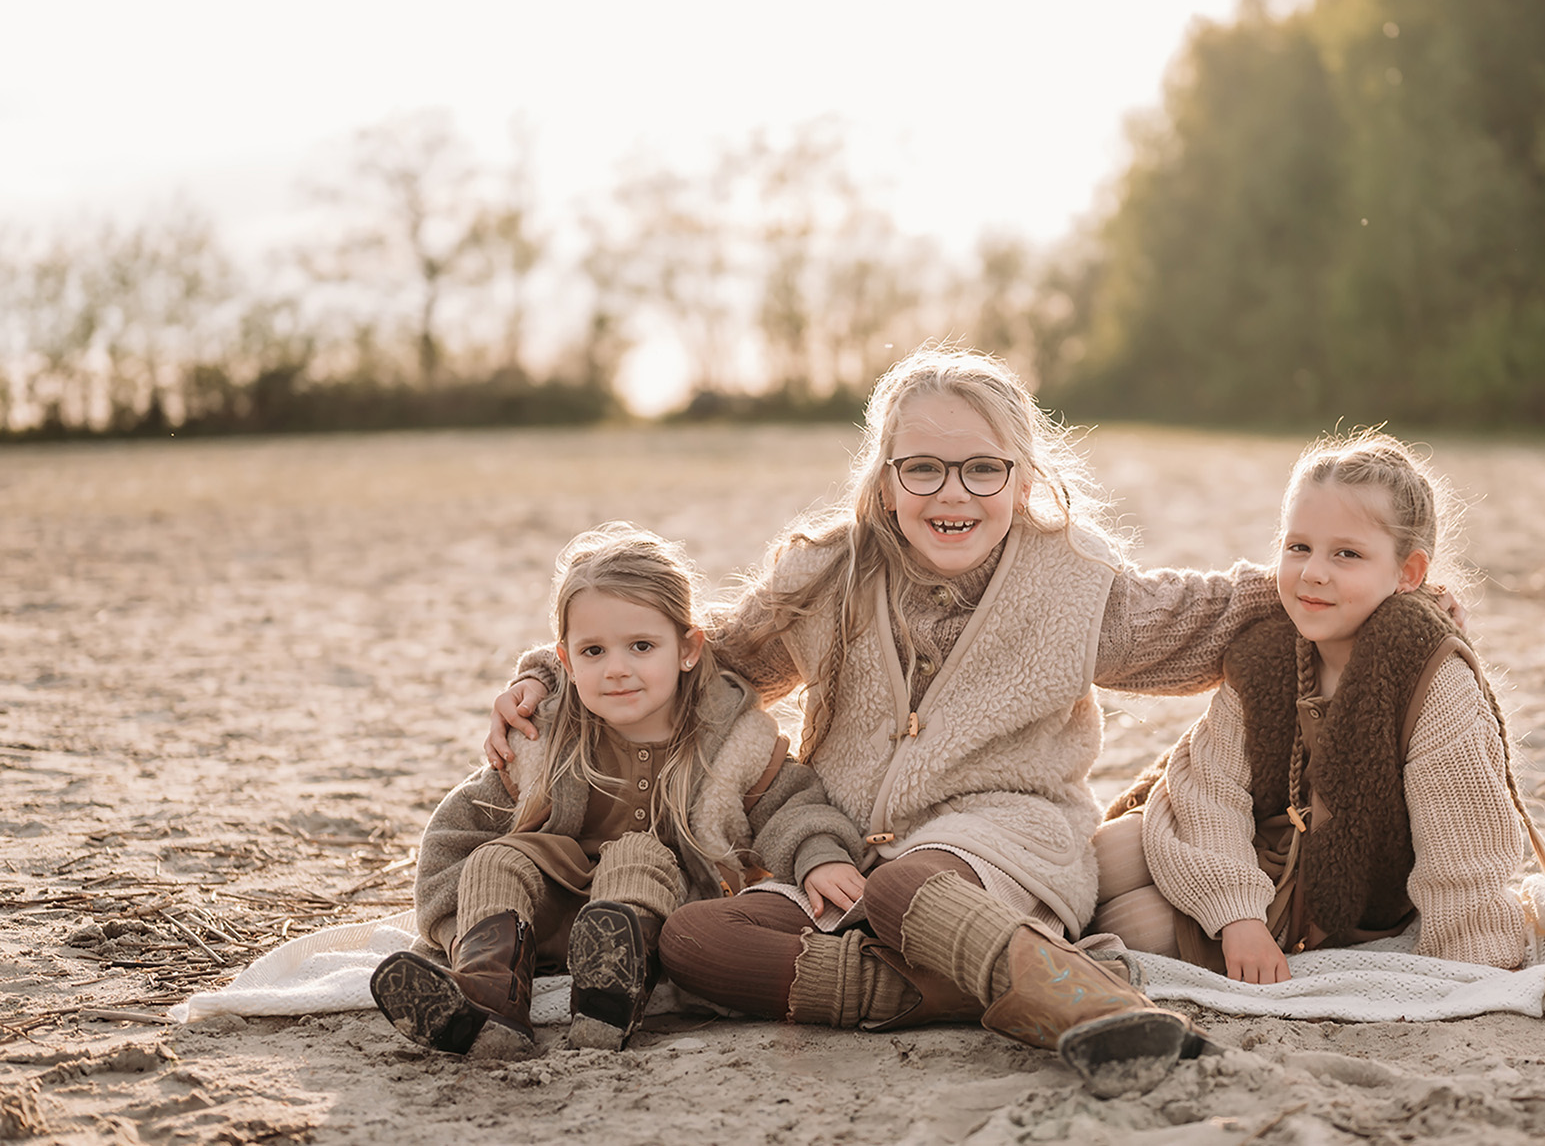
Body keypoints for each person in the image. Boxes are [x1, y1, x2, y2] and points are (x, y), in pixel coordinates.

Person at [484, 347, 1283, 1096]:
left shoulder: (1077, 583)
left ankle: (1095, 1008)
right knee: (692, 939)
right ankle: (953, 988)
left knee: (908, 884)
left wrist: (1325, 579)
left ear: (1023, 475)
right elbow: (701, 655)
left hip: (1008, 845)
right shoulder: (829, 573)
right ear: (887, 477)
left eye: (982, 469)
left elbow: (1207, 614)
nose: (953, 493)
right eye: (924, 469)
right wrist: (550, 673)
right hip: (838, 855)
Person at [371, 523, 860, 1058]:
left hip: (657, 913)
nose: (618, 670)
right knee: (498, 856)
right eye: (594, 651)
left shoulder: (728, 739)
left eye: (642, 646)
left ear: (688, 648)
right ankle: (488, 995)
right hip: (544, 919)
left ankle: (608, 994)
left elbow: (789, 803)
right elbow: (460, 826)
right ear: (566, 661)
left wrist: (819, 856)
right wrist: (453, 921)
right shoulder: (544, 736)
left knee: (636, 851)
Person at [1091, 428, 1545, 982]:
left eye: (1347, 553)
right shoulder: (1267, 653)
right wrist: (1236, 914)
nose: (1314, 571)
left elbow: (1463, 836)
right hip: (1252, 846)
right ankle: (1004, 929)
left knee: (1132, 926)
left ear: (1408, 573)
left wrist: (1473, 954)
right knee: (1107, 855)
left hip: (1333, 891)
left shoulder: (1431, 678)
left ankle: (1046, 953)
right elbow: (1211, 788)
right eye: (1299, 547)